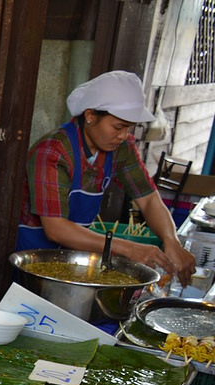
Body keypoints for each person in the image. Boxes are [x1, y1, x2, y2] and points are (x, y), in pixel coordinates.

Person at [20, 70, 195, 286]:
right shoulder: (53, 152)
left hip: (75, 260)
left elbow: (148, 199)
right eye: (118, 127)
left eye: (130, 128)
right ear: (91, 115)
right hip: (33, 259)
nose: (124, 135)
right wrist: (130, 248)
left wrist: (172, 242)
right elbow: (56, 228)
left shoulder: (122, 148)